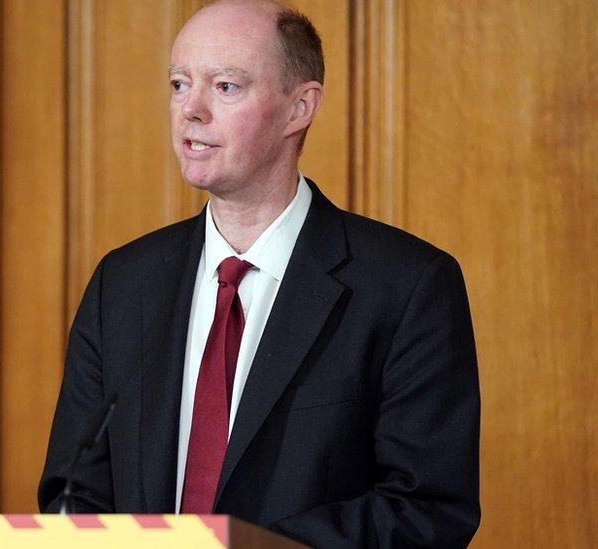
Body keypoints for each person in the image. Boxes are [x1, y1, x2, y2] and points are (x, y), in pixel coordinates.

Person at [38, 0, 480, 546]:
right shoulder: (123, 285)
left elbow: (427, 509)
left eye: (225, 86)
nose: (190, 110)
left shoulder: (407, 286)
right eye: (179, 84)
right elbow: (72, 494)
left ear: (300, 107)